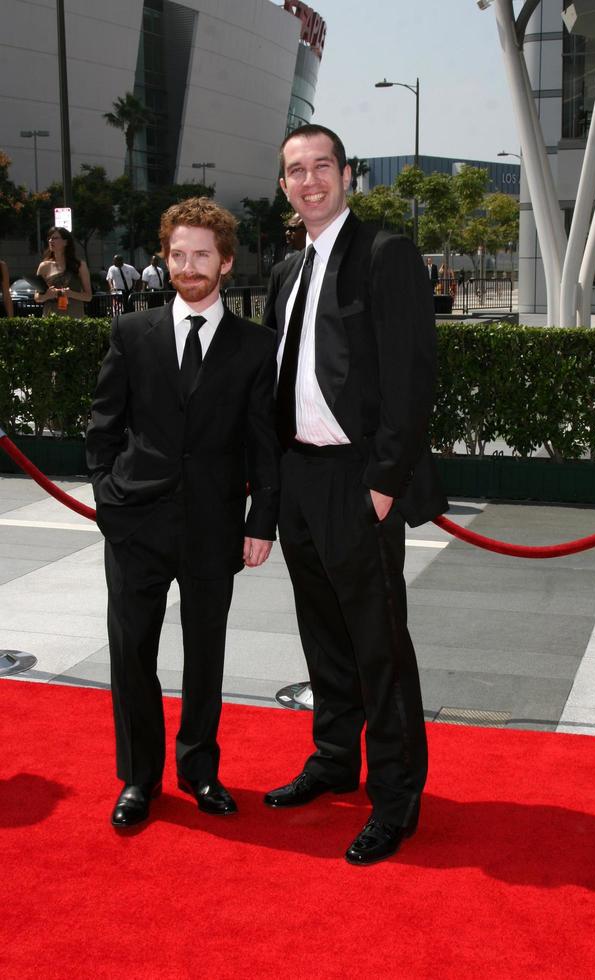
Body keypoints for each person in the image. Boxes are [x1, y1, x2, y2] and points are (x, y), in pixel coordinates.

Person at [262, 124, 448, 866]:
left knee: (379, 646)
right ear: (283, 186)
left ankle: (397, 797)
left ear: (346, 174)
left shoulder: (385, 254)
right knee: (323, 635)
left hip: (358, 481)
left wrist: (382, 485)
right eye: (294, 171)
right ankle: (335, 758)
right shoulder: (284, 272)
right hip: (301, 479)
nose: (309, 181)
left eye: (321, 167)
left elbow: (412, 376)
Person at [86, 197, 279, 830]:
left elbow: (263, 443)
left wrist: (260, 523)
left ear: (225, 262)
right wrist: (109, 501)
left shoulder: (255, 346)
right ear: (164, 259)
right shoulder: (131, 332)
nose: (188, 267)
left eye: (201, 255)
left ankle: (199, 770)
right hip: (136, 523)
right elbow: (103, 427)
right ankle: (139, 779)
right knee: (131, 651)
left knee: (206, 654)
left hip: (213, 525)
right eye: (177, 255)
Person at [34, 227, 92, 318]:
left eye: (55, 238)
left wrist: (71, 294)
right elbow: (37, 297)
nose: (51, 241)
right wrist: (47, 295)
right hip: (50, 318)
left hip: (74, 318)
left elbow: (88, 296)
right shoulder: (44, 266)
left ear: (65, 242)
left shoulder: (80, 265)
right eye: (49, 238)